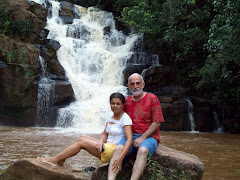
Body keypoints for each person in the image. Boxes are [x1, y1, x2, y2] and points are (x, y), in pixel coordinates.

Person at [37, 92, 133, 172]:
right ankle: (61, 159)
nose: (115, 106)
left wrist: (120, 158)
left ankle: (54, 160)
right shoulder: (110, 115)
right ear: (110, 104)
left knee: (81, 142)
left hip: (113, 150)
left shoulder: (125, 118)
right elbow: (105, 134)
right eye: (113, 103)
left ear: (123, 105)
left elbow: (129, 139)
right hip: (105, 146)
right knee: (82, 137)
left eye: (118, 104)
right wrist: (100, 141)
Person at [108, 73, 164, 180]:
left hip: (149, 137)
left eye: (138, 83)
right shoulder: (126, 101)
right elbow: (116, 117)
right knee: (118, 148)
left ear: (143, 84)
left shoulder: (152, 98)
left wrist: (142, 138)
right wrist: (105, 132)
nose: (135, 86)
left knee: (142, 150)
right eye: (132, 84)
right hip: (130, 136)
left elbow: (157, 122)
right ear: (128, 86)